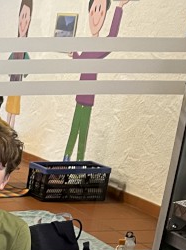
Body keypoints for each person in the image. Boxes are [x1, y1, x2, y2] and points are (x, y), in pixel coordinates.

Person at [64, 0, 130, 161]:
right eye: (93, 11)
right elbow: (82, 62)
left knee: (83, 132)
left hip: (87, 99)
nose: (96, 16)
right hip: (80, 96)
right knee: (74, 128)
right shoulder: (88, 47)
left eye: (100, 12)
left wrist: (119, 7)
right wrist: (74, 54)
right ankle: (66, 158)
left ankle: (79, 162)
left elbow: (112, 36)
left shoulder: (100, 47)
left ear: (105, 15)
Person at [6, 0, 31, 129]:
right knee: (10, 105)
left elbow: (27, 70)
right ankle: (7, 126)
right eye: (22, 17)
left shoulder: (24, 51)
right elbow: (8, 63)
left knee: (14, 107)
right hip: (12, 81)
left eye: (26, 18)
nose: (23, 22)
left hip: (18, 82)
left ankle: (10, 128)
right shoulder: (15, 49)